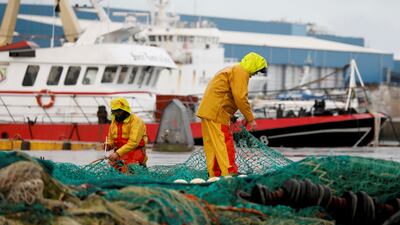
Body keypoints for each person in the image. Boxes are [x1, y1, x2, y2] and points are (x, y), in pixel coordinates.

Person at [196, 52, 268, 178]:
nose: (254, 74)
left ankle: (214, 175)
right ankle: (230, 173)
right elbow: (240, 97)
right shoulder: (241, 72)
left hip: (208, 111)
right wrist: (250, 119)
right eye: (257, 71)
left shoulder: (233, 69)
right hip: (217, 113)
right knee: (224, 142)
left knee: (213, 146)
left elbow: (226, 95)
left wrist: (232, 116)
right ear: (253, 65)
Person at [104, 97, 148, 173]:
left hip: (135, 154)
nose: (117, 113)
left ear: (125, 110)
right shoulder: (114, 122)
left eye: (119, 111)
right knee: (112, 171)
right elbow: (111, 139)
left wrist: (117, 153)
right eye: (114, 111)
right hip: (119, 156)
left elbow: (133, 143)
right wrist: (108, 145)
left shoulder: (136, 121)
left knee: (129, 173)